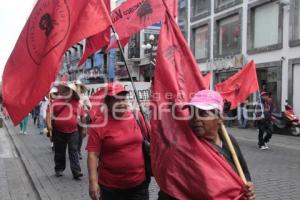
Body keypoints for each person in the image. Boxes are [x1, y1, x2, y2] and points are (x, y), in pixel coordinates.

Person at [158, 90, 255, 200]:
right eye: (192, 113)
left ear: (220, 118)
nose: (196, 119)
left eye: (203, 113)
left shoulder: (229, 141)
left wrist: (248, 186)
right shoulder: (183, 149)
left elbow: (243, 171)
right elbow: (171, 188)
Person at [86, 82, 149, 200]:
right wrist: (93, 183)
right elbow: (93, 155)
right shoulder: (99, 124)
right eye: (116, 100)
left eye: (123, 99)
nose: (121, 103)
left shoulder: (137, 116)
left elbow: (148, 139)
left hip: (139, 184)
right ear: (108, 103)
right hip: (110, 188)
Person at [46, 82, 84, 179]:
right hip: (58, 131)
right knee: (59, 151)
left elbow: (82, 116)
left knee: (73, 150)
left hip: (73, 131)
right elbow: (49, 114)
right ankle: (59, 169)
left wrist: (83, 129)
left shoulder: (77, 103)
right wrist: (49, 126)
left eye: (70, 90)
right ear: (64, 91)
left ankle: (76, 171)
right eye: (66, 90)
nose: (68, 92)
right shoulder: (57, 101)